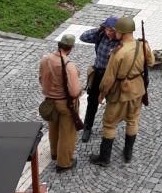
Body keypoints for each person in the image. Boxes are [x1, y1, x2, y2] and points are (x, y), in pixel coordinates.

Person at [91, 17, 155, 166]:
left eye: (117, 31)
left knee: (109, 124)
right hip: (138, 90)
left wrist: (102, 94)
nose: (115, 33)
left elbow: (108, 79)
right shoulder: (143, 45)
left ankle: (104, 158)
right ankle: (128, 153)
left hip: (119, 93)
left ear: (121, 32)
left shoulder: (118, 52)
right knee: (133, 120)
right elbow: (151, 62)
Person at [39, 34, 82, 172]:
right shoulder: (69, 66)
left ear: (59, 44)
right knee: (67, 133)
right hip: (65, 104)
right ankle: (64, 163)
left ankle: (54, 153)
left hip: (50, 102)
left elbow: (41, 79)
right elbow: (74, 91)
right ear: (71, 48)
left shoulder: (45, 59)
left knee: (53, 128)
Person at [79, 17, 122, 142]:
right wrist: (98, 30)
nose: (109, 33)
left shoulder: (121, 42)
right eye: (108, 29)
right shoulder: (101, 35)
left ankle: (109, 128)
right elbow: (83, 37)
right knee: (92, 101)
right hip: (98, 74)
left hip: (113, 77)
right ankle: (87, 127)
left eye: (112, 31)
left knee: (112, 102)